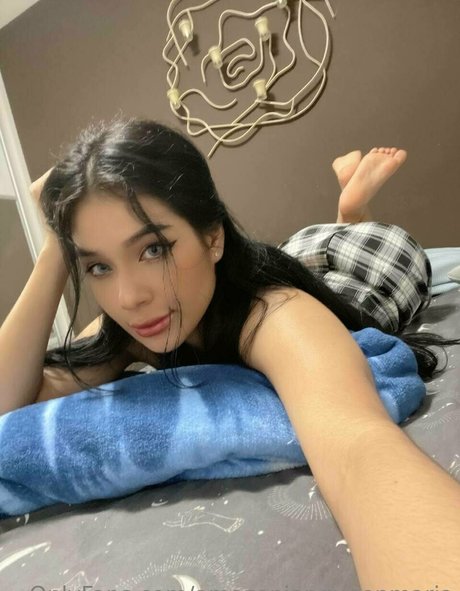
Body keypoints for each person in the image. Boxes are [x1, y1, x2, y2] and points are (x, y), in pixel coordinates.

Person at [1, 117, 460, 587]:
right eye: (98, 266)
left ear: (213, 237)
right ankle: (344, 212)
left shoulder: (278, 314)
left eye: (154, 249)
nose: (127, 297)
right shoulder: (134, 324)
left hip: (369, 270)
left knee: (380, 259)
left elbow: (357, 446)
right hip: (287, 255)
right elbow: (6, 401)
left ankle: (353, 215)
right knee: (299, 253)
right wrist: (56, 248)